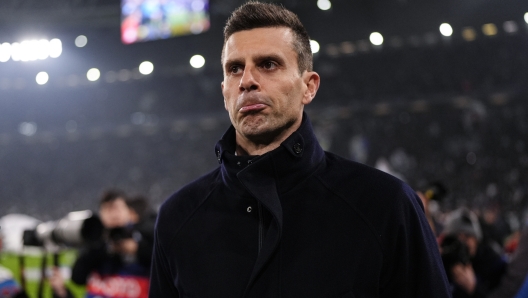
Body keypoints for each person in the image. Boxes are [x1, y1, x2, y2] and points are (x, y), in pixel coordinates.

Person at [150, 2, 451, 297]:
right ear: (224, 92)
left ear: (309, 86)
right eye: (235, 69)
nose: (247, 81)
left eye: (268, 64)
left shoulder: (387, 206)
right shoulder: (178, 217)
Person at [51, 190, 151, 298]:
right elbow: (77, 277)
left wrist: (137, 249)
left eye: (117, 208)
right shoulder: (96, 242)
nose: (113, 214)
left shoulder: (143, 236)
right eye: (108, 209)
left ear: (129, 212)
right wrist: (104, 246)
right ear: (101, 214)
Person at [440, 208, 507, 298]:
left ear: (477, 240)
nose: (462, 242)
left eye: (467, 236)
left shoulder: (493, 262)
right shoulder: (444, 260)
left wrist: (473, 288)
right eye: (456, 237)